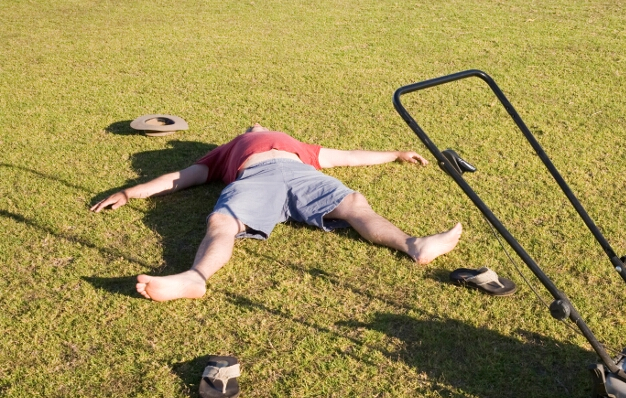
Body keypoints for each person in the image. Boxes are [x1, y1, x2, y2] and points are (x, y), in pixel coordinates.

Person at [91, 124, 462, 301]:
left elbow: (346, 157)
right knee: (222, 222)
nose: (257, 124)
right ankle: (194, 277)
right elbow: (183, 176)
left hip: (302, 175)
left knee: (353, 204)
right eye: (252, 127)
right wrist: (131, 192)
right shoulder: (229, 148)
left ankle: (415, 245)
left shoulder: (298, 146)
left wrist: (395, 154)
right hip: (255, 178)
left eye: (260, 125)